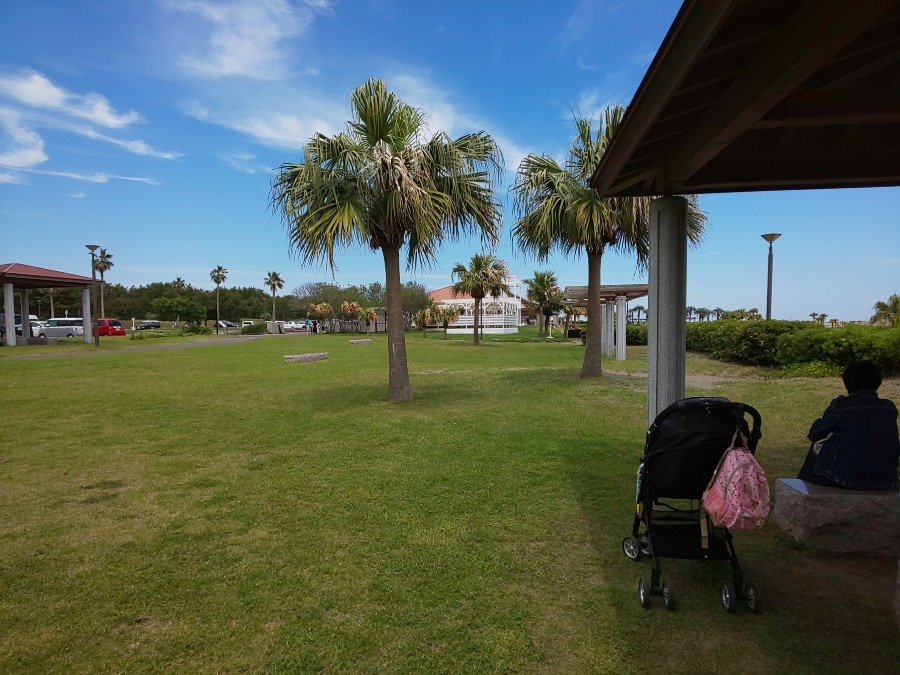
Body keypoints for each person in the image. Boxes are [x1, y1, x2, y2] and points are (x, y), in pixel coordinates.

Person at [798, 360, 899, 489]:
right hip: (885, 478)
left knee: (821, 443)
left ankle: (801, 487)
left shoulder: (841, 406)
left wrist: (831, 408)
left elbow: (815, 433)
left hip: (844, 477)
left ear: (847, 383)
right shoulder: (889, 408)